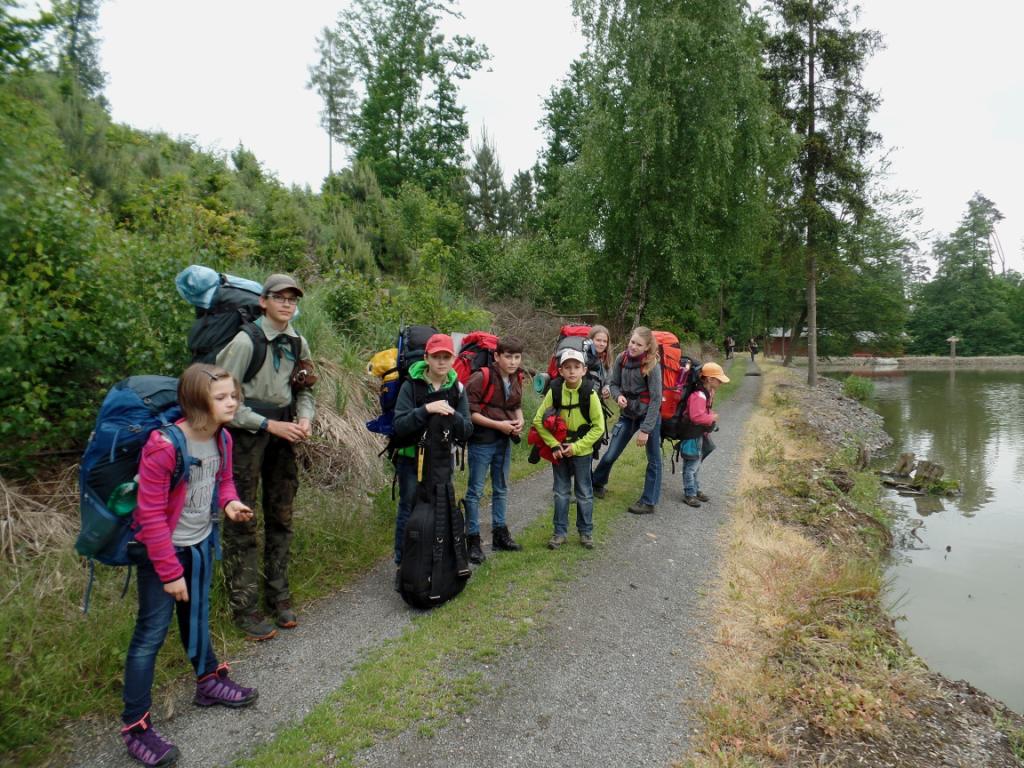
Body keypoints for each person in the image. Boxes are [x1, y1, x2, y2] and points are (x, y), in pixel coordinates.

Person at [120, 364, 257, 767]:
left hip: (198, 545)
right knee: (150, 634)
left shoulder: (223, 438)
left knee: (195, 618)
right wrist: (169, 572)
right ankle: (135, 726)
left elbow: (224, 480)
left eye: (233, 395)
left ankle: (208, 682)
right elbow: (148, 516)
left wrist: (229, 503)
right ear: (199, 401)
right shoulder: (164, 445)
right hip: (162, 555)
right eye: (222, 397)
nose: (232, 402)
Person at [217, 274, 315, 640]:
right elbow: (223, 401)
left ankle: (279, 596)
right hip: (245, 438)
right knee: (242, 519)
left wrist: (305, 418)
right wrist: (268, 426)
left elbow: (306, 389)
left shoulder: (297, 342)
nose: (287, 304)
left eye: (293, 299)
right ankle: (244, 608)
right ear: (264, 302)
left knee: (282, 515)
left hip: (285, 434)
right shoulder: (245, 341)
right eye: (280, 297)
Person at [392, 334, 473, 583]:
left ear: (453, 359)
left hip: (440, 460)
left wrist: (450, 413)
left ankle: (433, 559)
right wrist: (427, 409)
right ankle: (403, 563)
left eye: (446, 357)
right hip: (410, 459)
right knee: (409, 507)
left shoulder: (456, 388)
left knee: (439, 507)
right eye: (436, 357)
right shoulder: (411, 385)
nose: (441, 362)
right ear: (426, 358)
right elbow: (399, 425)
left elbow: (467, 429)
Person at [532, 349, 605, 549]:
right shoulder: (554, 391)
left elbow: (599, 427)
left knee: (584, 492)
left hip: (581, 451)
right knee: (561, 492)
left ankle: (586, 533)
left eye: (576, 367)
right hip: (559, 449)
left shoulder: (590, 394)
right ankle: (559, 533)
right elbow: (538, 421)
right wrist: (554, 444)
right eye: (567, 367)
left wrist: (577, 446)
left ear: (584, 370)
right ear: (561, 371)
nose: (572, 371)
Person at [464, 336, 525, 564]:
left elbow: (516, 404)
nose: (512, 361)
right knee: (475, 491)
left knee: (501, 488)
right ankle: (472, 539)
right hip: (481, 442)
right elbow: (469, 412)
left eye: (517, 357)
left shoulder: (517, 377)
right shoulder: (482, 377)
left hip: (504, 441)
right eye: (508, 356)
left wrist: (520, 421)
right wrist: (499, 425)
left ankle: (500, 534)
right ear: (497, 356)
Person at [592, 326, 663, 514]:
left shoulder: (652, 365)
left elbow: (656, 399)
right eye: (632, 342)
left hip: (649, 415)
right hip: (628, 414)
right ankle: (596, 484)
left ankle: (648, 502)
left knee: (654, 459)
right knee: (611, 453)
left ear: (647, 347)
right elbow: (613, 384)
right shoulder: (621, 358)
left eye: (638, 344)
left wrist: (646, 431)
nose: (633, 346)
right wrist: (618, 396)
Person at [680, 361, 730, 508]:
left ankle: (695, 489)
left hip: (698, 434)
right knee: (691, 465)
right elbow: (696, 417)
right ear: (709, 379)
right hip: (691, 435)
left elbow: (701, 413)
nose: (721, 382)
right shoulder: (699, 395)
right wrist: (712, 418)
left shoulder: (706, 393)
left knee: (696, 464)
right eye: (718, 379)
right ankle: (690, 494)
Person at [588, 325, 614, 401]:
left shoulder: (606, 360)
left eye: (605, 341)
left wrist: (607, 389)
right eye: (598, 340)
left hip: (596, 402)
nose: (602, 344)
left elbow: (609, 382)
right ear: (590, 340)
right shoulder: (583, 358)